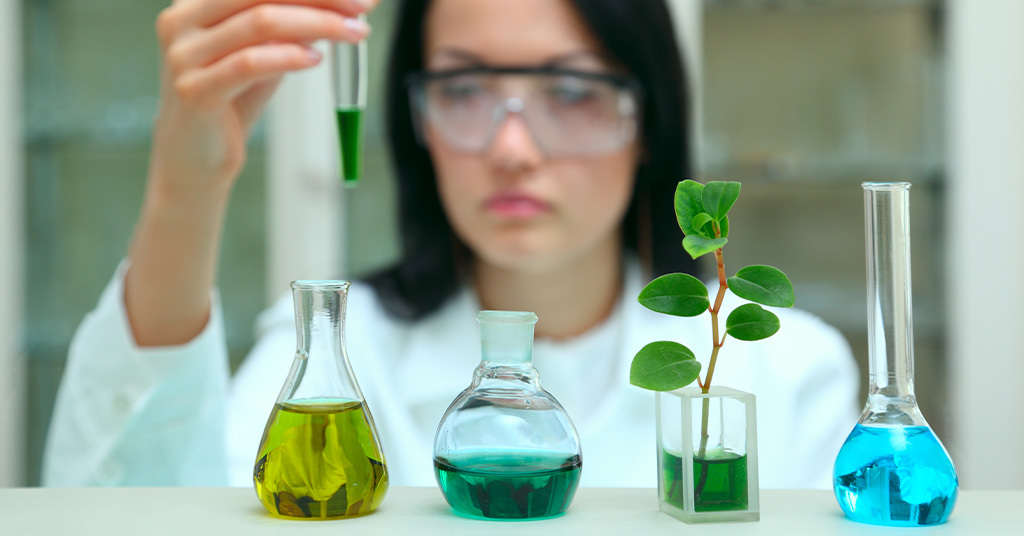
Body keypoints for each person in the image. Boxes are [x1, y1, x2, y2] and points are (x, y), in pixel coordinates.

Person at [43, 0, 858, 489]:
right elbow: (123, 501)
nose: (511, 148)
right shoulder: (340, 355)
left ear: (649, 118)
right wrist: (184, 190)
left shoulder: (779, 370)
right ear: (414, 119)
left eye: (571, 90)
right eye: (463, 89)